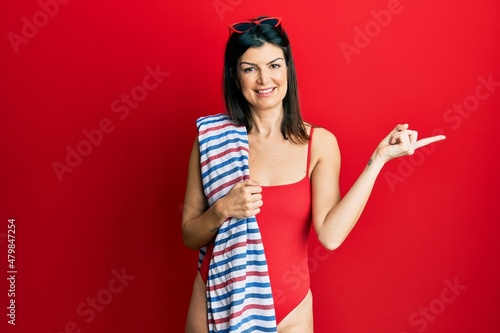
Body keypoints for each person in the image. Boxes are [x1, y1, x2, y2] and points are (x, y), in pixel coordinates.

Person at [181, 16, 445, 333]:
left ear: (288, 70)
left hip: (292, 313)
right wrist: (222, 209)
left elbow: (330, 236)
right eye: (250, 68)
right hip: (220, 302)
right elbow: (189, 234)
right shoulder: (210, 139)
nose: (264, 79)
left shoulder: (319, 144)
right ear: (236, 77)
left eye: (274, 65)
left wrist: (379, 159)